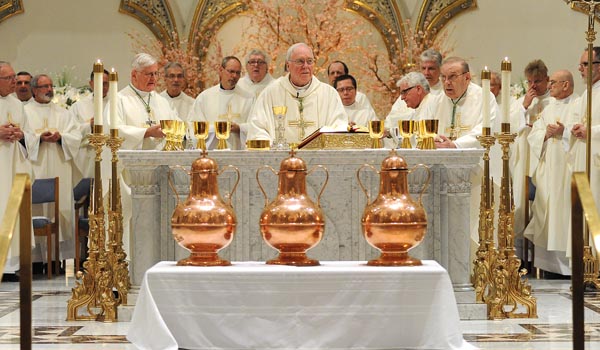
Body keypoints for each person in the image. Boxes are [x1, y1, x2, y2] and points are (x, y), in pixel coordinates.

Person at [524, 69, 577, 276]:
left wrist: (563, 132)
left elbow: (582, 130)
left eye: (554, 82)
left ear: (566, 85)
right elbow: (534, 134)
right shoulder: (547, 108)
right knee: (546, 210)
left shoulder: (578, 104)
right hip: (548, 170)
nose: (550, 85)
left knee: (566, 214)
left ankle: (568, 266)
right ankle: (548, 266)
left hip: (568, 169)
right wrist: (544, 134)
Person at [25, 74, 81, 264]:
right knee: (36, 208)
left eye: (50, 86)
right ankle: (36, 259)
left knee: (61, 206)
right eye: (43, 86)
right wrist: (39, 138)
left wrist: (61, 137)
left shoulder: (64, 113)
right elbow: (22, 138)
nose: (49, 89)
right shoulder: (25, 112)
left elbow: (76, 137)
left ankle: (58, 258)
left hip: (59, 166)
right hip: (35, 167)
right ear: (34, 90)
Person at [247, 43, 347, 144]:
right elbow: (258, 130)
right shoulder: (270, 93)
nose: (306, 66)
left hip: (319, 158)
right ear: (288, 65)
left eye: (309, 61)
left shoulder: (329, 94)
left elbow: (339, 127)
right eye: (300, 61)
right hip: (281, 158)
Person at [564, 47, 600, 262]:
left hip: (596, 160)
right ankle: (584, 264)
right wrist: (574, 128)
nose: (580, 69)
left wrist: (591, 132)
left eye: (585, 64)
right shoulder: (587, 93)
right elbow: (575, 119)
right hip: (582, 158)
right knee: (583, 209)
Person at [510, 59, 551, 237]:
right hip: (525, 158)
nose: (533, 86)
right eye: (530, 81)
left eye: (538, 81)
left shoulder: (554, 101)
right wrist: (524, 106)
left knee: (542, 206)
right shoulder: (521, 102)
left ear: (547, 80)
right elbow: (510, 127)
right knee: (521, 205)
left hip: (544, 158)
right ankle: (522, 254)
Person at [0, 61, 30, 281]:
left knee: (11, 209)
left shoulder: (17, 104)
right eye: (9, 78)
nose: (13, 82)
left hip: (12, 164)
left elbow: (27, 132)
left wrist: (20, 135)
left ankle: (10, 265)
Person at [111, 53, 179, 150]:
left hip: (161, 161)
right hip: (131, 162)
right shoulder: (119, 100)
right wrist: (147, 132)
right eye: (149, 74)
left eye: (156, 73)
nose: (154, 78)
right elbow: (114, 130)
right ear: (134, 75)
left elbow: (176, 125)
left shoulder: (162, 101)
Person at [188, 56, 253, 150]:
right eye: (231, 71)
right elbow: (193, 127)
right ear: (221, 70)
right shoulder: (205, 97)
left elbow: (256, 126)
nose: (234, 76)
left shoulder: (248, 98)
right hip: (211, 155)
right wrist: (216, 129)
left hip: (238, 153)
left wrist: (240, 128)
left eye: (238, 73)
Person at [433, 57, 499, 149]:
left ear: (467, 77)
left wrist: (455, 145)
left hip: (476, 159)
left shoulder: (484, 97)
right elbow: (430, 130)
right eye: (443, 77)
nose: (447, 82)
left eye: (452, 76)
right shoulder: (438, 100)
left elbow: (486, 128)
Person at [70, 68, 109, 183]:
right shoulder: (78, 107)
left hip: (108, 155)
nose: (103, 87)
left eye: (106, 83)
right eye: (99, 83)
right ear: (91, 84)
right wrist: (89, 126)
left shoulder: (116, 104)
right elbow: (71, 133)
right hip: (87, 157)